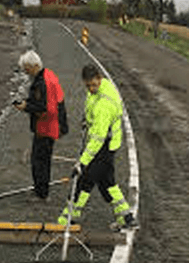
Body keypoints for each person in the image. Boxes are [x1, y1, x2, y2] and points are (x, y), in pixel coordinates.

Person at [57, 64, 139, 232]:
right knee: (107, 183)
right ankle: (126, 218)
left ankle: (67, 219)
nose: (91, 89)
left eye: (94, 85)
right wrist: (87, 120)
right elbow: (91, 105)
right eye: (88, 85)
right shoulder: (98, 90)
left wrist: (81, 162)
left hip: (104, 146)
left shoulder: (104, 105)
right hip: (108, 144)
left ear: (99, 79)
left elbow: (97, 139)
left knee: (85, 180)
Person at [14, 50, 69, 202]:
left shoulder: (41, 82)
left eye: (26, 68)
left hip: (46, 128)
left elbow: (45, 108)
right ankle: (41, 190)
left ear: (34, 65)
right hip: (52, 125)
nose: (25, 71)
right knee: (42, 159)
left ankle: (41, 193)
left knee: (39, 161)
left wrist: (25, 107)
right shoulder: (48, 75)